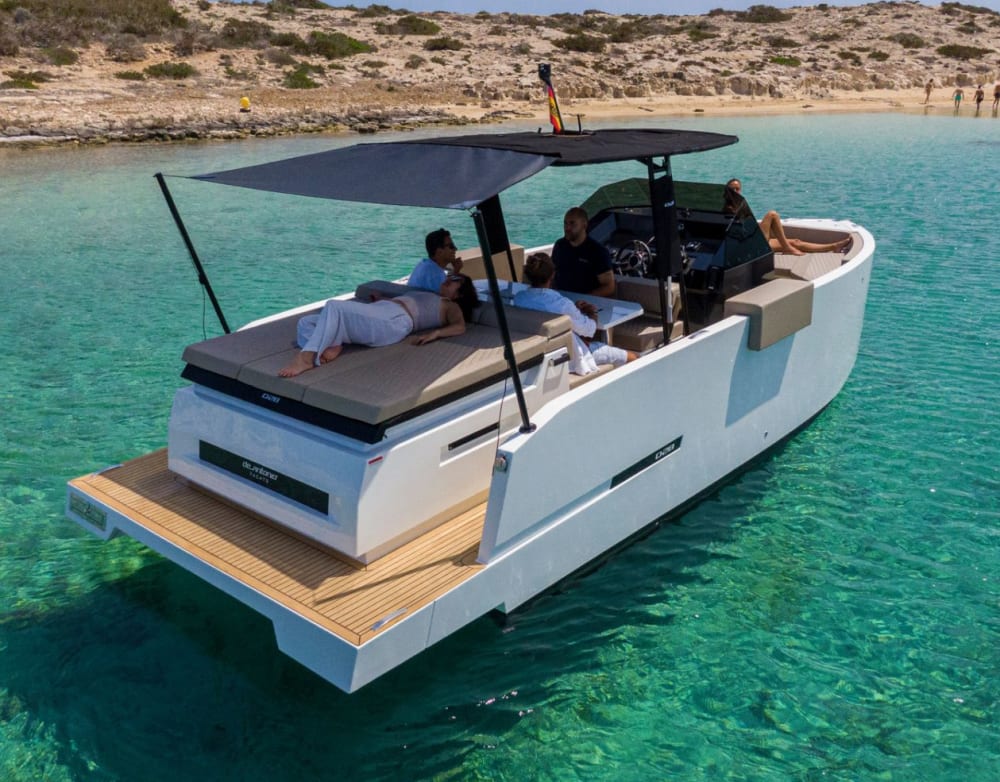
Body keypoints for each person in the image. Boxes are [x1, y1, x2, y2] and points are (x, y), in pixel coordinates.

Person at [278, 274, 479, 377]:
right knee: (306, 322)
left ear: (459, 293)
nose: (447, 278)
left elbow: (460, 326)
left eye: (453, 279)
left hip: (395, 322)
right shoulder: (431, 295)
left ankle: (307, 357)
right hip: (384, 312)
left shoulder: (450, 305)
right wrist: (380, 299)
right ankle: (334, 345)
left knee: (333, 307)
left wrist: (435, 334)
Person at [514, 252, 635, 375]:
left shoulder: (519, 299)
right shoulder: (561, 304)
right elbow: (589, 330)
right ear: (552, 275)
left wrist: (574, 310)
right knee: (632, 357)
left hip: (540, 354)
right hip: (570, 359)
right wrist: (591, 314)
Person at [725, 179, 851, 256]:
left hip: (751, 238)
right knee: (772, 215)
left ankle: (833, 247)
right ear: (727, 190)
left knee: (796, 242)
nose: (736, 191)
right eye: (732, 189)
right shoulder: (727, 207)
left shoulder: (739, 204)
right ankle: (787, 248)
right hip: (746, 244)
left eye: (738, 189)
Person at [551, 206, 616, 297]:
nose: (567, 228)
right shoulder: (559, 245)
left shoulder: (598, 252)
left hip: (585, 303)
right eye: (565, 223)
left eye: (572, 224)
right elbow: (552, 274)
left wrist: (585, 298)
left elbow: (609, 287)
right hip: (561, 300)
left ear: (584, 225)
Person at [407, 228, 463, 292]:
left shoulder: (427, 266)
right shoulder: (434, 274)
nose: (455, 249)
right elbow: (449, 296)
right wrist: (456, 271)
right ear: (439, 251)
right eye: (451, 246)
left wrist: (455, 270)